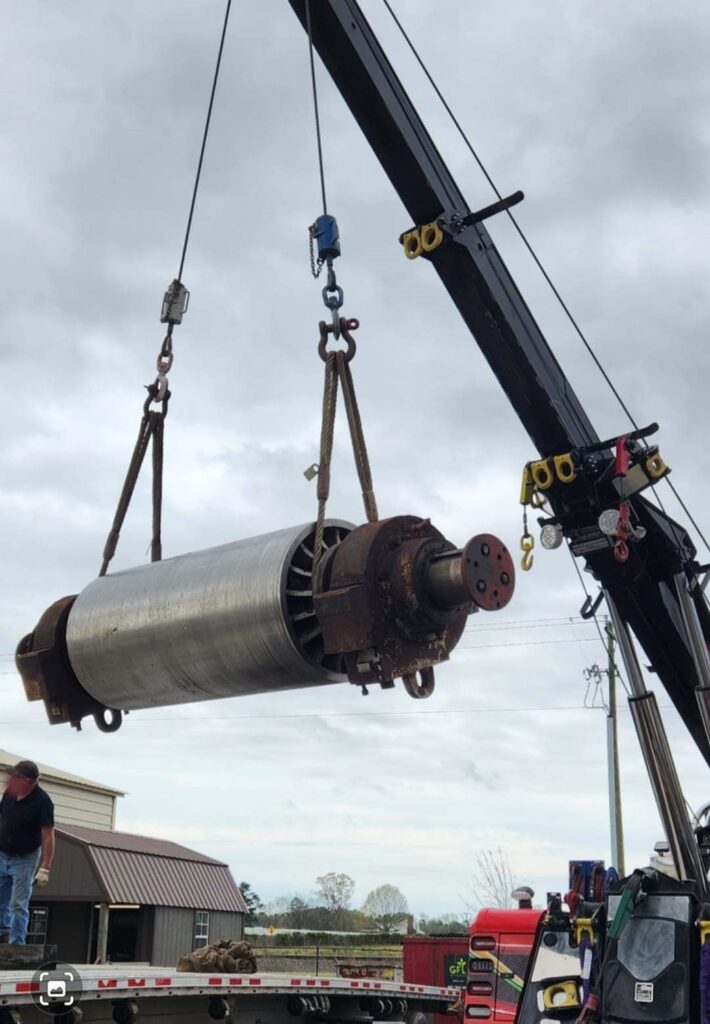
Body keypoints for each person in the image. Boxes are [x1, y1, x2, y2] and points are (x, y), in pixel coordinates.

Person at [0, 761, 55, 945]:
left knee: (18, 904)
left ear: (27, 781)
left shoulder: (43, 802)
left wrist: (45, 867)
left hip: (25, 859)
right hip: (3, 854)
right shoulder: (9, 795)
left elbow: (48, 835)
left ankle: (16, 944)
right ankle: (2, 933)